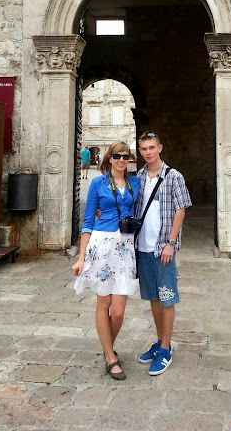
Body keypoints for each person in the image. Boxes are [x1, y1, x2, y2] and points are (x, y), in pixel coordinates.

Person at [72, 141, 141, 381]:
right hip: (101, 246)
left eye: (125, 156)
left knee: (119, 312)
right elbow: (87, 221)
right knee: (104, 303)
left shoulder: (135, 183)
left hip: (125, 248)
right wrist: (80, 258)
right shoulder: (98, 184)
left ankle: (107, 347)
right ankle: (110, 357)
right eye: (117, 156)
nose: (121, 160)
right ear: (109, 158)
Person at [135, 130, 192, 376]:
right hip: (143, 247)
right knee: (154, 298)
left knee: (167, 297)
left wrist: (171, 242)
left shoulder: (173, 176)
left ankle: (166, 349)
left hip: (162, 248)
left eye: (152, 147)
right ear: (140, 151)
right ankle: (159, 342)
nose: (148, 152)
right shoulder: (139, 176)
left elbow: (181, 209)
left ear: (160, 148)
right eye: (144, 149)